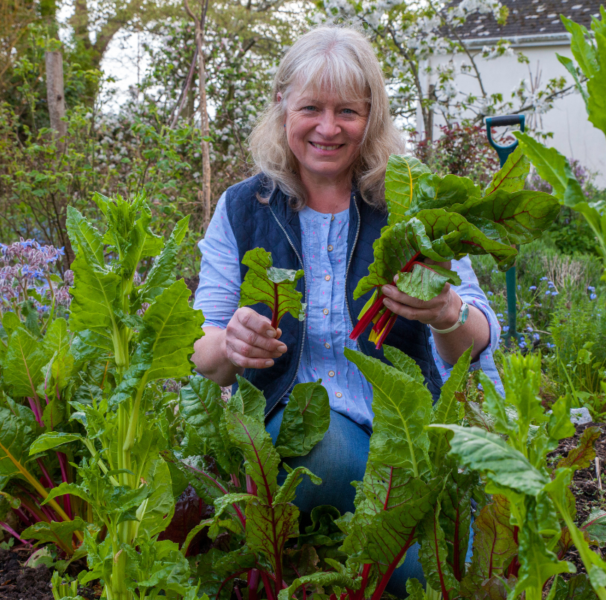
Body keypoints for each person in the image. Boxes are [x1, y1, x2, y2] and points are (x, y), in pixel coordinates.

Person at [190, 26, 502, 596]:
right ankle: (404, 528)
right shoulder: (242, 207)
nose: (328, 128)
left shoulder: (411, 199)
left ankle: (394, 541)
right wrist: (230, 345)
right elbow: (203, 353)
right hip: (294, 428)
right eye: (311, 107)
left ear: (372, 116)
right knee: (331, 448)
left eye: (348, 112)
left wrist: (446, 311)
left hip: (407, 429)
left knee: (436, 567)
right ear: (283, 104)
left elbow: (477, 340)